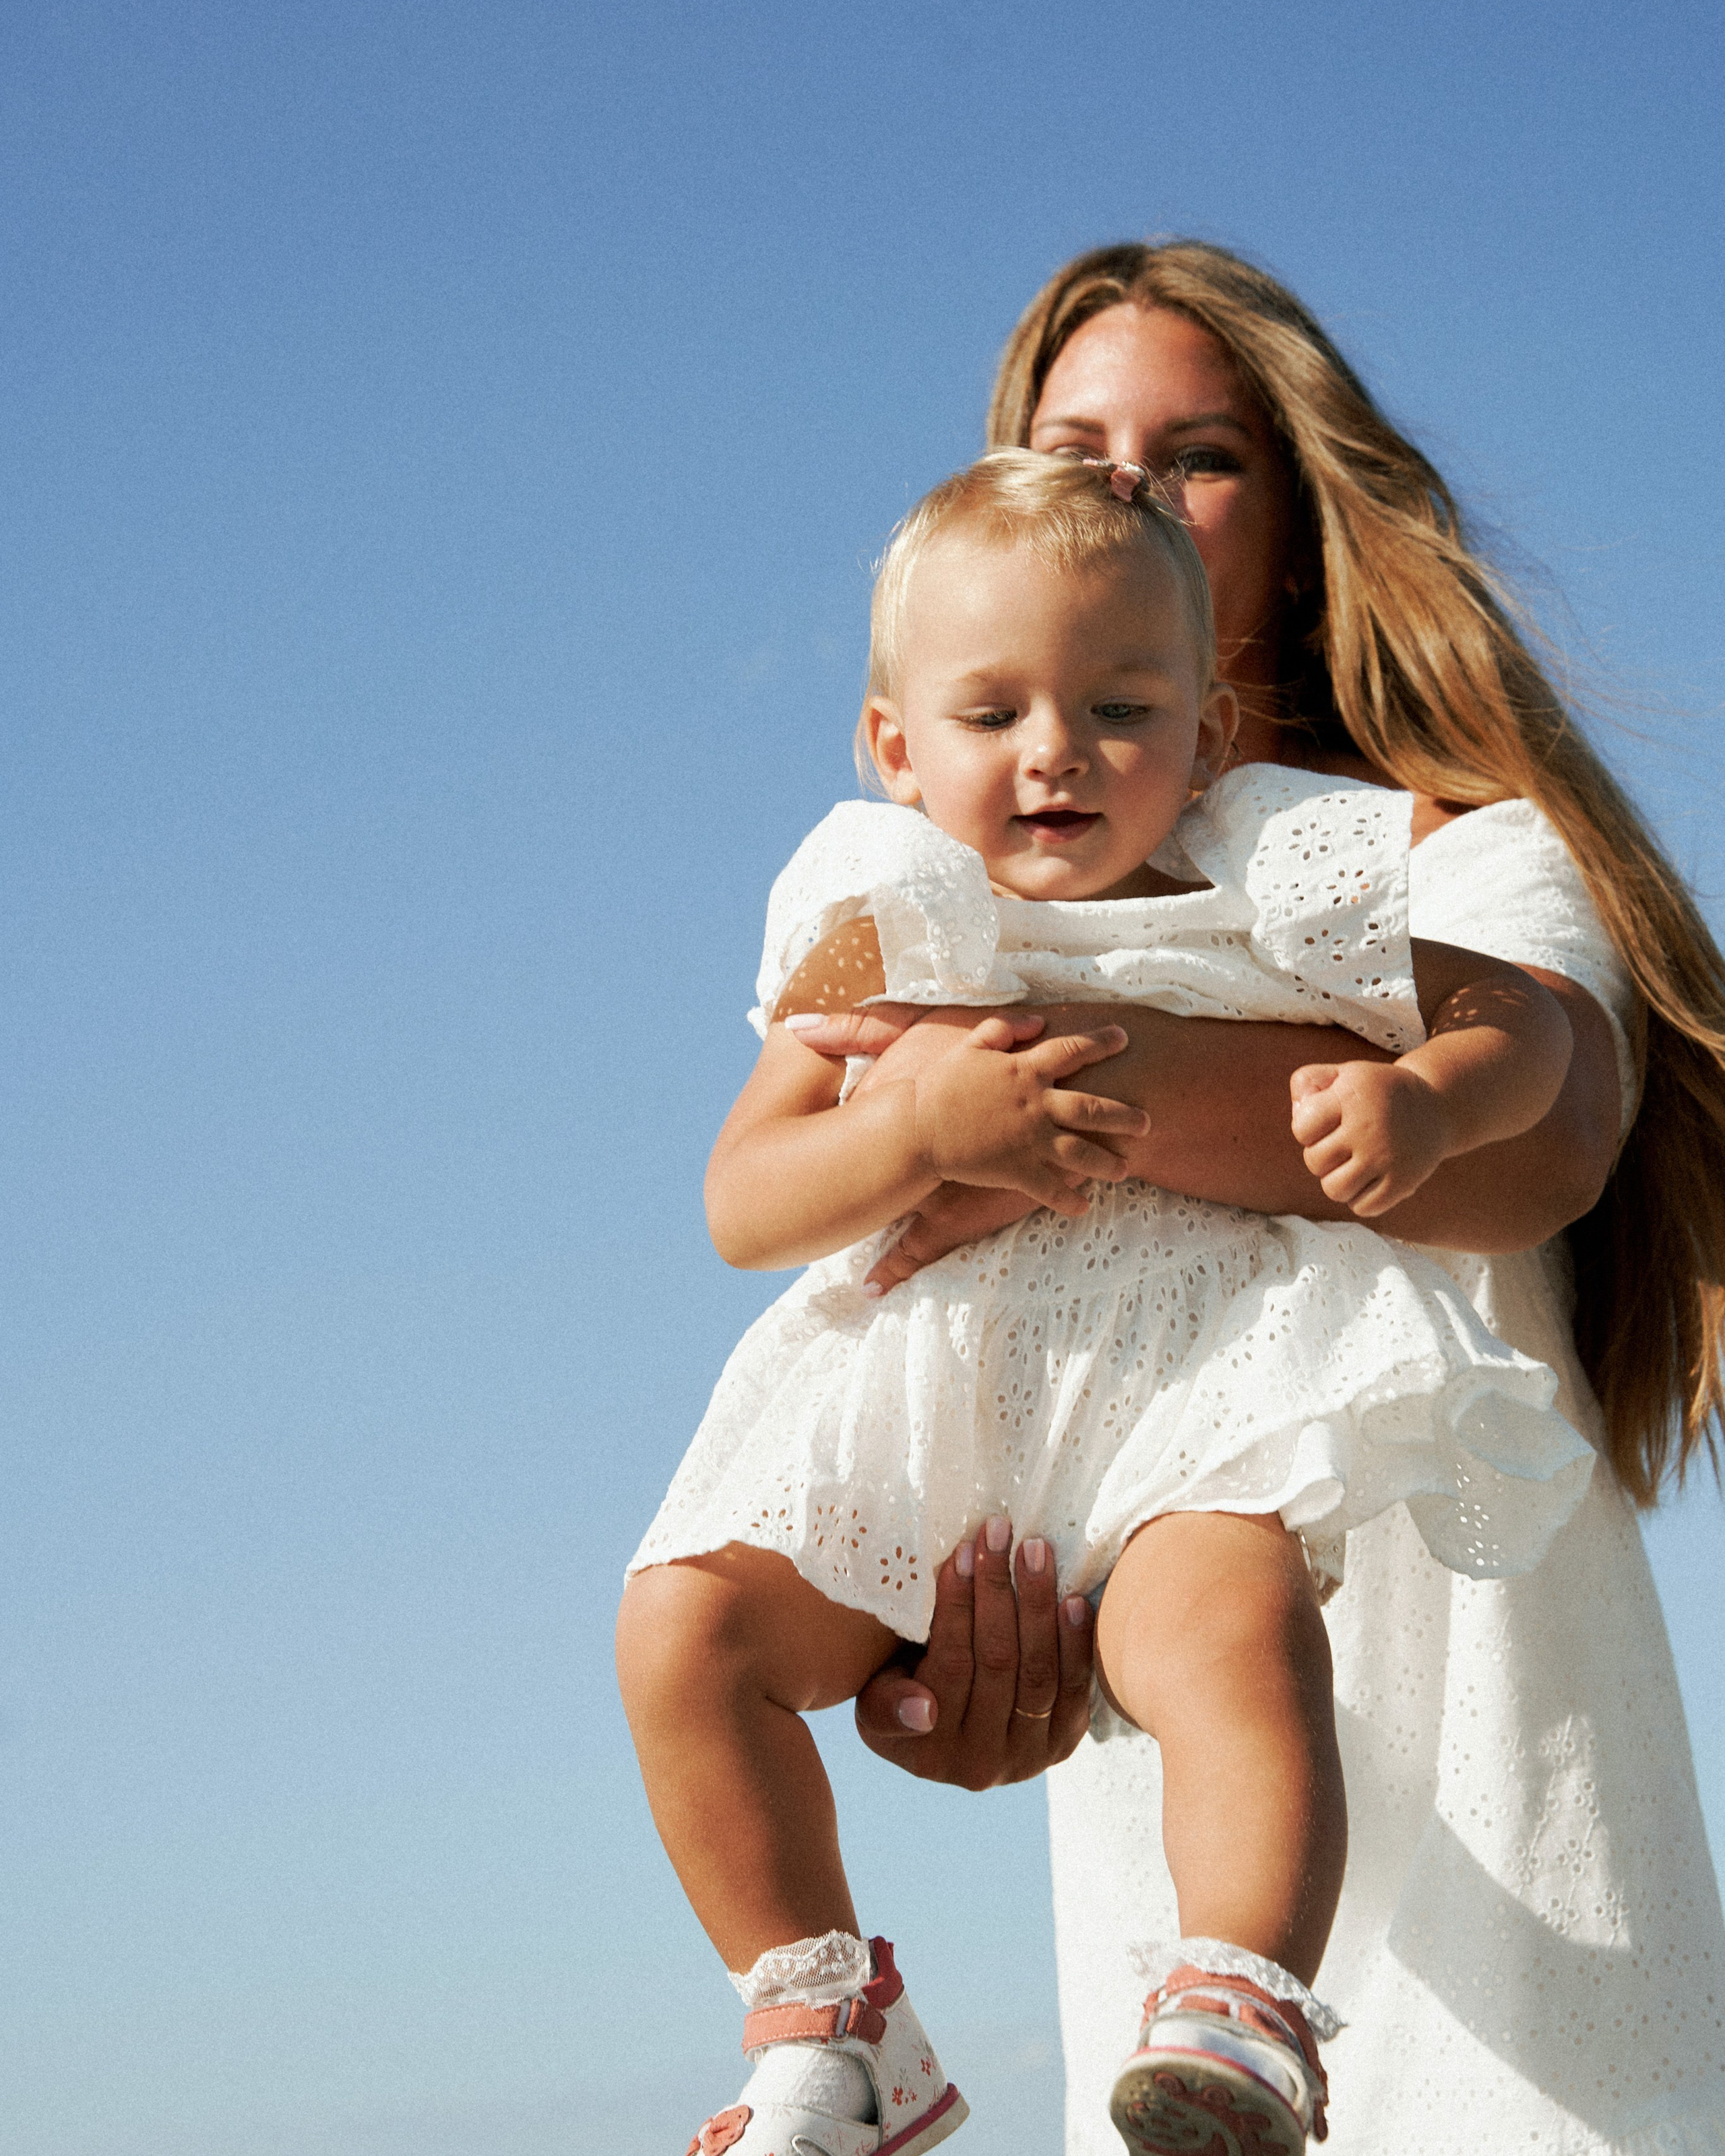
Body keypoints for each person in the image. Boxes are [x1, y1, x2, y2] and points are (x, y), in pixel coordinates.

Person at [783, 242, 1725, 2153]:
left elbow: (1536, 1146)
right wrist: (930, 1669)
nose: (1129, 494)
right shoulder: (949, 912)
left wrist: (978, 1096)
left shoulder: (1458, 861)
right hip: (1170, 1968)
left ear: (1297, 525)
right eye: (1080, 450)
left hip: (1527, 1917)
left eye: (1195, 456)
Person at [617, 449, 1599, 2156]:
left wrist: (1432, 1095)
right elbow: (740, 1202)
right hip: (928, 1412)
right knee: (681, 1632)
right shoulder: (883, 923)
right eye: (990, 711)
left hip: (1190, 1388)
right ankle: (828, 2027)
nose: (1055, 749)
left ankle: (1240, 2002)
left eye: (1119, 706)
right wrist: (909, 1126)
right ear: (892, 747)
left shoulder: (1278, 890)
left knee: (1225, 1632)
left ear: (1208, 736)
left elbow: (1530, 1024)